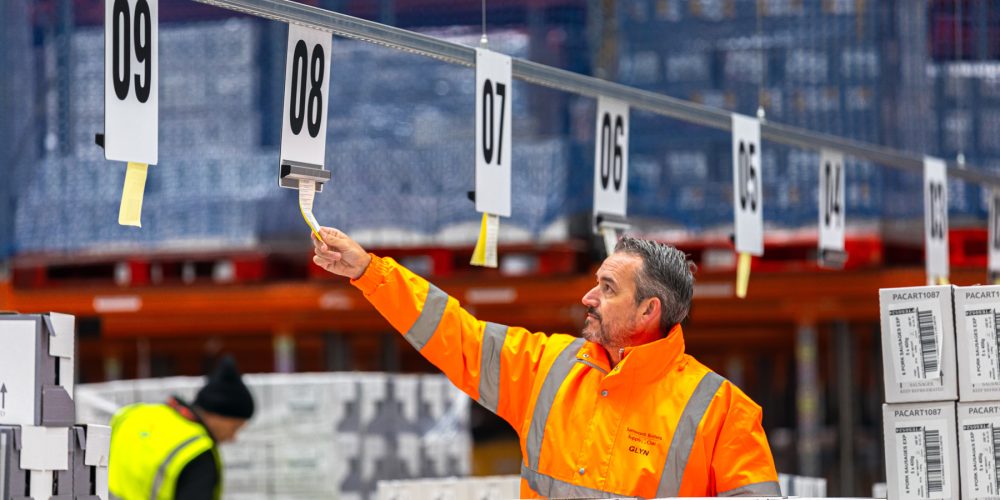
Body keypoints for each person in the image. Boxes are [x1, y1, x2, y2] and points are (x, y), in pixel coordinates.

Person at [312, 227, 779, 498]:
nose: (588, 297)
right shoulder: (549, 367)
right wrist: (369, 272)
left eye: (608, 288)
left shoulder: (722, 413)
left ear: (648, 311)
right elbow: (456, 335)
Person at [108, 355, 255, 500]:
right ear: (219, 414)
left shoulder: (130, 414)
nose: (233, 437)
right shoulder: (196, 451)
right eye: (235, 427)